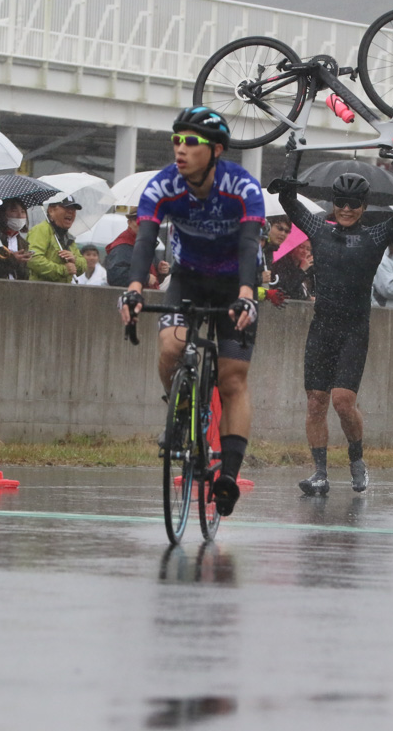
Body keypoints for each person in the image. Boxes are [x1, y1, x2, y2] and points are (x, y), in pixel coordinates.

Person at [118, 106, 263, 518]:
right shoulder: (162, 185)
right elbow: (145, 239)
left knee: (233, 379)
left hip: (236, 283)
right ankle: (181, 409)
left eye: (191, 142)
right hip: (188, 277)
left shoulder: (242, 187)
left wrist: (248, 294)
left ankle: (229, 475)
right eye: (176, 140)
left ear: (216, 150)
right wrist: (132, 289)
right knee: (169, 346)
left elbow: (250, 245)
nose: (180, 149)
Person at [270, 158, 393, 497]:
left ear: (364, 206)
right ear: (333, 204)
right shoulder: (320, 230)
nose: (347, 209)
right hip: (322, 327)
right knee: (315, 402)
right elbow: (288, 202)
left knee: (341, 401)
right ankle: (320, 473)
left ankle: (356, 459)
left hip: (355, 329)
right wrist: (290, 166)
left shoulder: (375, 234)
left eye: (354, 204)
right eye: (341, 202)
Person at [27, 195, 87, 283]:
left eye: (73, 209)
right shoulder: (41, 230)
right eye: (66, 207)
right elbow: (33, 259)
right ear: (51, 210)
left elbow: (83, 264)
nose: (71, 212)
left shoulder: (68, 237)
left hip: (63, 291)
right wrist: (63, 270)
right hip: (41, 290)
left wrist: (75, 259)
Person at [106, 208, 169, 288]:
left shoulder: (145, 243)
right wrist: (145, 278)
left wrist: (159, 270)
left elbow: (153, 278)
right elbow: (115, 276)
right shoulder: (122, 246)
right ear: (129, 223)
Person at [262, 215, 292, 285]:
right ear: (269, 226)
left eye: (287, 231)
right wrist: (259, 278)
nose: (283, 234)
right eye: (280, 228)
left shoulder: (270, 250)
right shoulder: (258, 248)